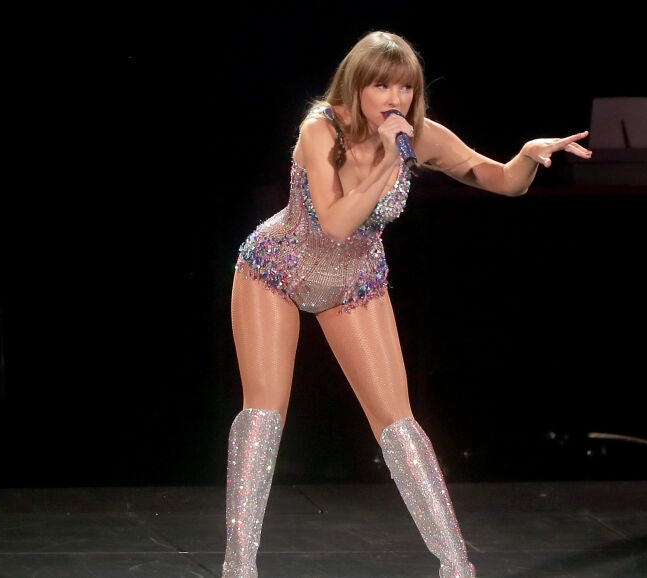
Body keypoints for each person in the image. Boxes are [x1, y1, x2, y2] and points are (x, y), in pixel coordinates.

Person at [223, 30, 592, 577]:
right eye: (381, 86)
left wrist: (527, 157)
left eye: (405, 87)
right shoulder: (320, 130)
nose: (395, 98)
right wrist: (388, 164)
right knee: (264, 412)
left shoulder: (421, 135)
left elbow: (500, 180)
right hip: (277, 269)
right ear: (355, 87)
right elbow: (335, 222)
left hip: (355, 281)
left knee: (398, 422)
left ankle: (457, 566)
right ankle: (238, 567)